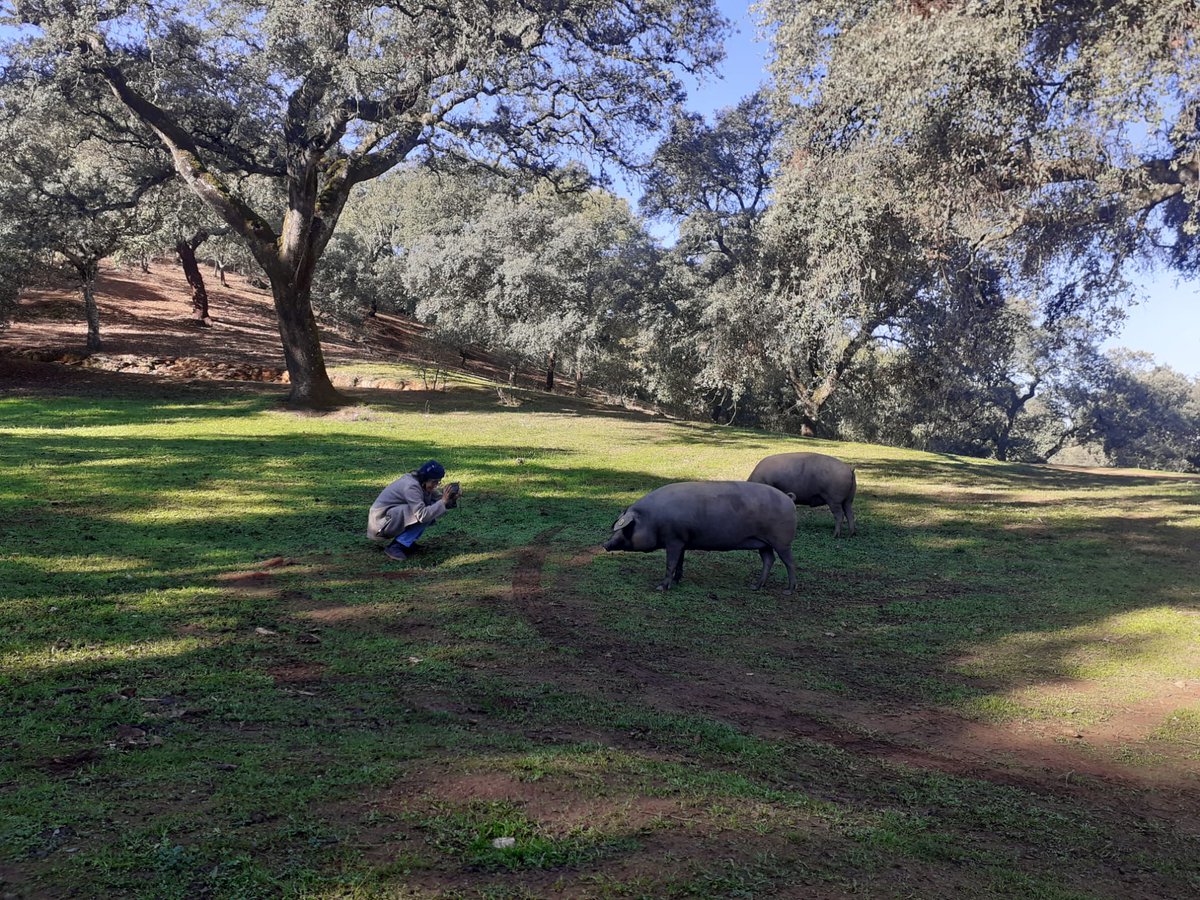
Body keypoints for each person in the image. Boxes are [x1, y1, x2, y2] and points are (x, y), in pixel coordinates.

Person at [367, 460, 459, 561]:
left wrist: (452, 498)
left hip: (389, 518)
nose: (436, 485)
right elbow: (423, 515)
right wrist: (443, 501)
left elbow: (439, 501)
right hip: (380, 523)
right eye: (434, 482)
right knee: (424, 513)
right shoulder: (412, 486)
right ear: (425, 478)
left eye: (438, 481)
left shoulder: (421, 483)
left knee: (431, 508)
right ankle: (397, 546)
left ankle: (406, 542)